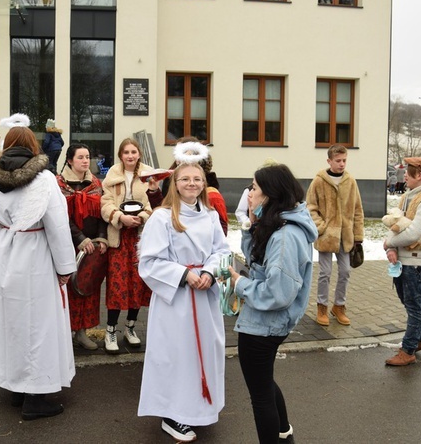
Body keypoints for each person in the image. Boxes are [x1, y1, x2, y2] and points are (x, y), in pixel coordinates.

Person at [0, 113, 77, 420]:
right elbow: (57, 225)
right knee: (38, 325)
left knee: (10, 321)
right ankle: (37, 397)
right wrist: (66, 267)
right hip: (36, 254)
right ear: (33, 146)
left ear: (7, 144)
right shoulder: (44, 179)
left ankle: (16, 386)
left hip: (5, 253)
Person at [138, 144, 230, 443]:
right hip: (176, 301)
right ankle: (172, 414)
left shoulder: (211, 215)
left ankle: (200, 408)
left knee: (204, 352)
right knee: (176, 355)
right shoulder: (162, 218)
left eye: (197, 179)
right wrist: (184, 274)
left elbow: (221, 251)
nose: (192, 183)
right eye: (185, 179)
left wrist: (209, 272)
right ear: (174, 184)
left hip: (204, 297)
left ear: (205, 183)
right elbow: (149, 262)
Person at [226, 164, 317, 444]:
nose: (248, 193)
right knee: (264, 383)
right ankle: (284, 434)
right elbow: (257, 257)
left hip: (264, 326)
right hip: (263, 323)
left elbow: (278, 293)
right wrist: (250, 224)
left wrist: (238, 283)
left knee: (260, 394)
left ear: (270, 194)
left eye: (253, 188)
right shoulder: (278, 224)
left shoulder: (286, 236)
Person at [100, 137, 162, 353]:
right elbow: (105, 203)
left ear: (139, 154)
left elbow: (153, 204)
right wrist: (119, 217)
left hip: (140, 235)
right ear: (120, 155)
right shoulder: (112, 174)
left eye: (133, 152)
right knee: (117, 283)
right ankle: (110, 331)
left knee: (138, 282)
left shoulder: (147, 174)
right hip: (118, 235)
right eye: (126, 152)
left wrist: (143, 217)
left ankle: (130, 327)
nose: (130, 156)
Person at [383, 156, 421, 366]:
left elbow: (413, 233)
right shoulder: (409, 196)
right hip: (406, 261)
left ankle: (408, 350)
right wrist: (392, 247)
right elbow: (399, 226)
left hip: (418, 263)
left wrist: (389, 242)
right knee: (411, 303)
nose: (404, 176)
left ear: (419, 175)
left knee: (414, 306)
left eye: (408, 173)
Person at [56, 143, 109, 351]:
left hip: (91, 248)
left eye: (88, 157)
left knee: (87, 289)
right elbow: (58, 217)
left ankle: (81, 333)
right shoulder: (58, 185)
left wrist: (102, 238)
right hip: (67, 246)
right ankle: (63, 334)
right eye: (80, 157)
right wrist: (80, 238)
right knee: (67, 291)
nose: (86, 161)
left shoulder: (96, 183)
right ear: (70, 160)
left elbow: (102, 214)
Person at [306, 144, 364, 327]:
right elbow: (310, 207)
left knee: (345, 271)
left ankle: (339, 306)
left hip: (345, 236)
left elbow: (357, 210)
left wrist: (358, 236)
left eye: (344, 160)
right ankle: (322, 306)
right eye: (338, 161)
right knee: (325, 272)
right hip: (326, 236)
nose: (341, 164)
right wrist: (321, 227)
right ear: (329, 161)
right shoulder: (319, 181)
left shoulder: (350, 182)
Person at [162, 136, 228, 234]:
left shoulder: (211, 195)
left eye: (183, 153)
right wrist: (153, 192)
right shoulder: (169, 180)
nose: (191, 184)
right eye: (177, 153)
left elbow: (220, 233)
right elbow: (163, 207)